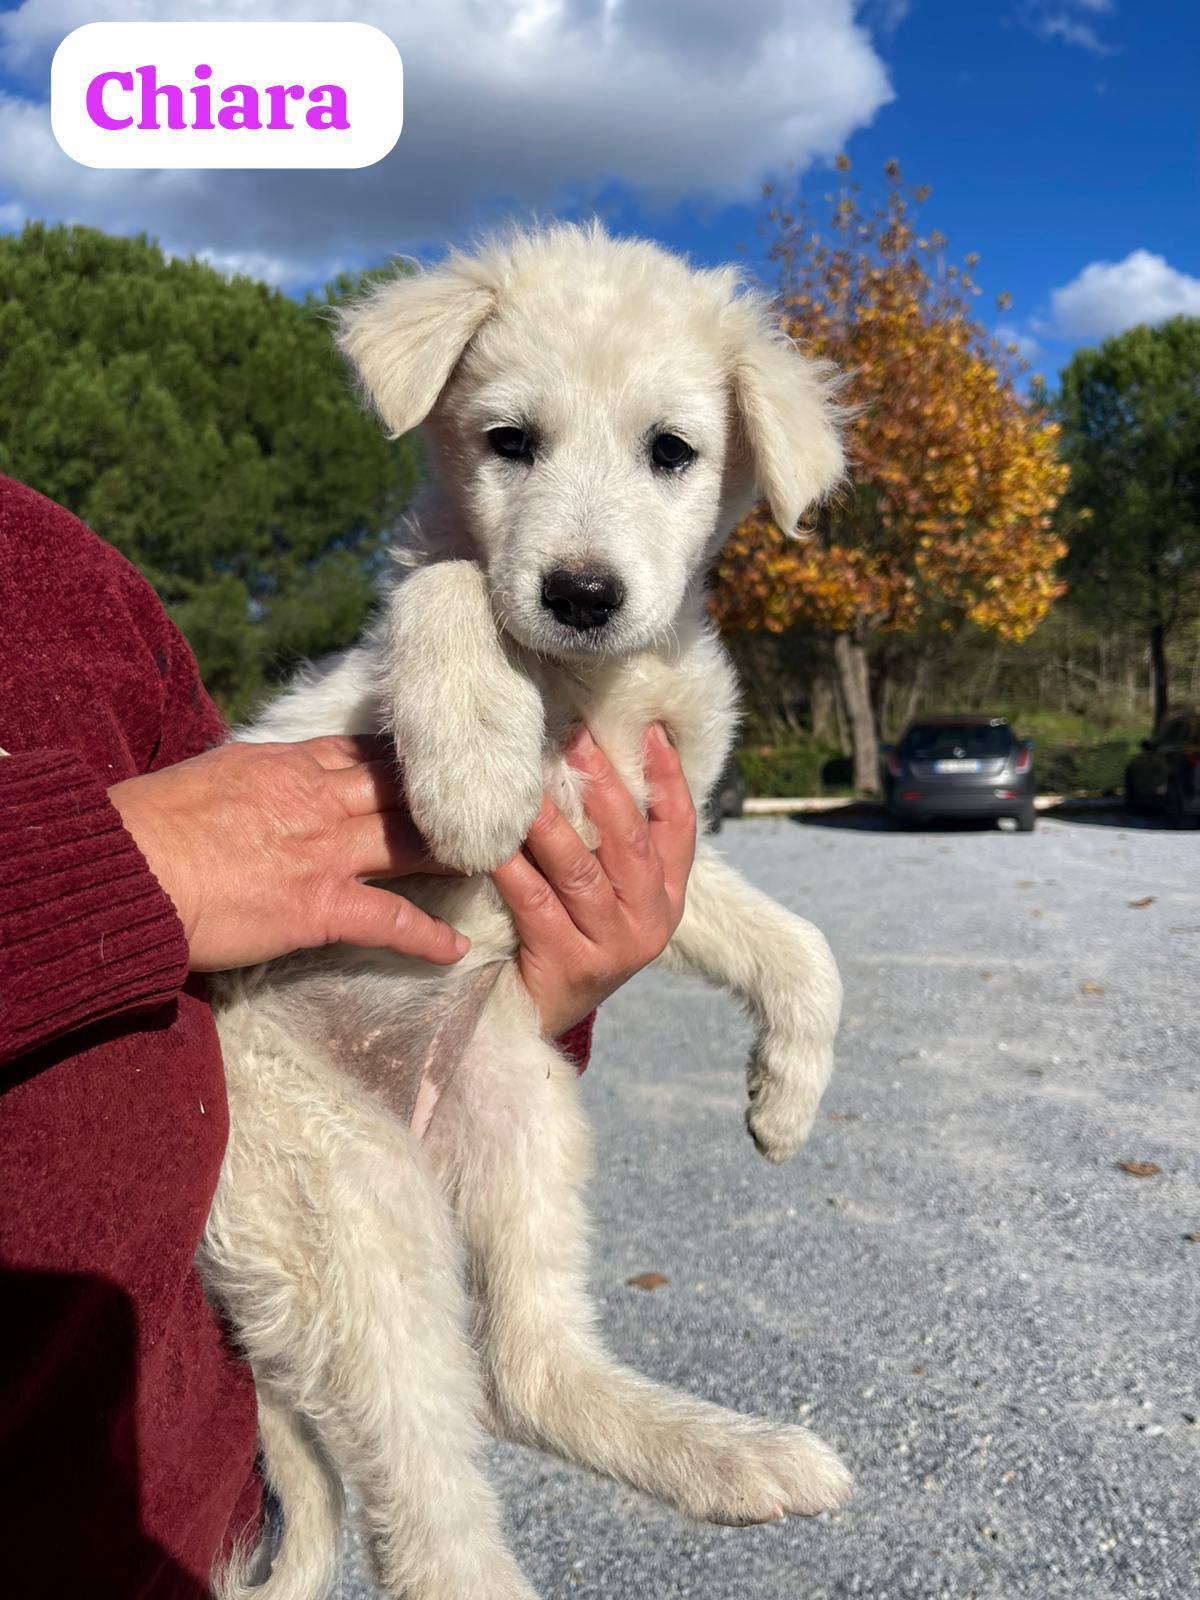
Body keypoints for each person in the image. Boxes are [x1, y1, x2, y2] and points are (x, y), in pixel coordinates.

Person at [0, 474, 696, 1599]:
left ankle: (540, 1372)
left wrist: (531, 988)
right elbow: (190, 881)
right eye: (513, 442)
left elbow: (280, 889)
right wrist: (114, 867)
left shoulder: (69, 573)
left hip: (205, 1509)